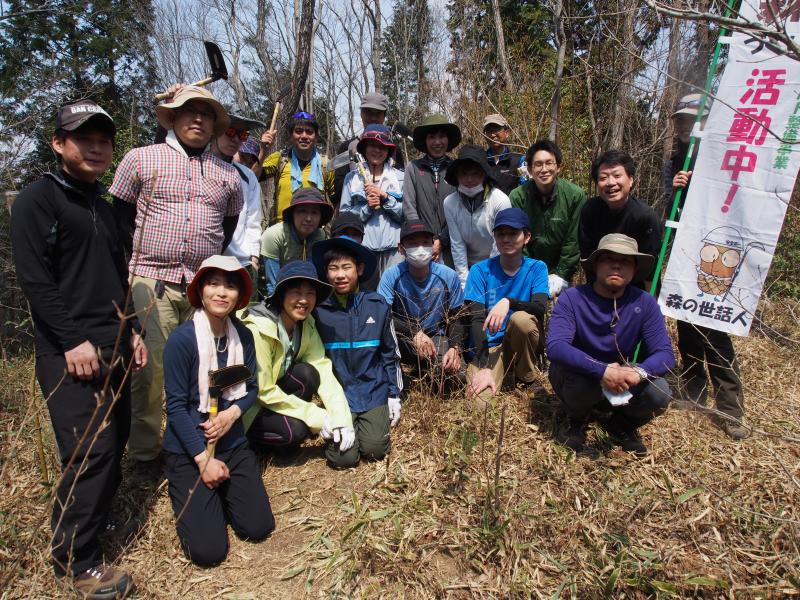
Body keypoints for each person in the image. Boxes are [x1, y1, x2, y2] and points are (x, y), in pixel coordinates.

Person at [11, 100, 147, 599]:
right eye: (83, 138)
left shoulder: (104, 207)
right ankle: (77, 562)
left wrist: (131, 330)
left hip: (113, 341)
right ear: (58, 143)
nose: (95, 147)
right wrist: (70, 340)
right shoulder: (37, 201)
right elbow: (35, 281)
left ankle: (95, 525)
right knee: (88, 452)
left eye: (103, 140)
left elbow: (118, 277)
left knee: (116, 442)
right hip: (69, 352)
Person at [110, 85, 243, 483]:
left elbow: (229, 224)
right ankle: (146, 454)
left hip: (203, 287)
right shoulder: (141, 159)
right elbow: (120, 217)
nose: (198, 119)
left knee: (203, 369)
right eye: (189, 111)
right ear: (172, 117)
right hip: (153, 280)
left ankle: (195, 444)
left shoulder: (228, 174)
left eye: (206, 114)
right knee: (148, 373)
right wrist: (129, 270)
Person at [162, 255, 274, 567]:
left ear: (240, 296)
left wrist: (231, 415)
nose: (221, 292)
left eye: (230, 286)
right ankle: (197, 489)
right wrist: (203, 460)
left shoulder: (244, 336)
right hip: (190, 448)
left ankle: (223, 491)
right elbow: (176, 406)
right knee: (208, 552)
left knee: (258, 527)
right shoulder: (182, 341)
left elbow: (250, 390)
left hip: (232, 442)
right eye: (213, 284)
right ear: (200, 290)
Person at [665, 94, 749, 440]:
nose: (687, 126)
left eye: (693, 120)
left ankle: (731, 408)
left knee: (714, 327)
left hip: (717, 252)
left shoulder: (722, 160)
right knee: (685, 322)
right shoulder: (676, 160)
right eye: (682, 121)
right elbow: (675, 212)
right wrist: (676, 191)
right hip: (687, 252)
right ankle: (694, 390)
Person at [547, 234, 675, 456]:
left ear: (635, 269)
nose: (616, 265)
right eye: (608, 259)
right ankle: (576, 419)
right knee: (582, 385)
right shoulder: (572, 298)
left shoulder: (644, 302)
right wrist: (602, 369)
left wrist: (639, 371)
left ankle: (621, 424)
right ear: (596, 265)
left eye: (625, 261)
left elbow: (665, 354)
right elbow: (556, 346)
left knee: (660, 392)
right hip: (577, 374)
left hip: (621, 377)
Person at [240, 261, 356, 464]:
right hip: (248, 404)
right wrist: (314, 415)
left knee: (309, 373)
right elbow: (262, 390)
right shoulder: (259, 328)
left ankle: (278, 426)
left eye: (310, 293)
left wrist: (342, 420)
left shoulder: (305, 324)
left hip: (273, 394)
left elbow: (322, 368)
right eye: (296, 292)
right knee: (297, 430)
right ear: (281, 294)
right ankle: (250, 440)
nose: (304, 300)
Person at [311, 236, 403, 467]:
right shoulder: (319, 311)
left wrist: (394, 394)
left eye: (346, 267)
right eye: (333, 268)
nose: (340, 275)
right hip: (339, 395)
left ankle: (371, 424)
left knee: (375, 449)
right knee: (343, 458)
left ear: (359, 269)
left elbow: (390, 354)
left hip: (374, 389)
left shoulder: (377, 304)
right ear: (326, 272)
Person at [463, 208, 549, 403]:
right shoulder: (479, 271)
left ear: (527, 237)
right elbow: (476, 319)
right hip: (489, 346)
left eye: (513, 233)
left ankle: (526, 376)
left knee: (522, 320)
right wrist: (484, 367)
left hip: (519, 342)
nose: (506, 239)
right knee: (479, 403)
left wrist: (509, 302)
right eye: (501, 234)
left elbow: (539, 309)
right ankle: (496, 371)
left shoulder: (537, 268)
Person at [378, 219, 465, 389]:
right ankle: (405, 376)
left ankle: (424, 370)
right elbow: (382, 313)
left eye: (425, 242)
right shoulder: (391, 276)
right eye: (412, 243)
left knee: (456, 378)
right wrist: (414, 332)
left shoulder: (448, 275)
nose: (420, 248)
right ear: (401, 248)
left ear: (433, 246)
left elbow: (457, 316)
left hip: (436, 339)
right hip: (402, 337)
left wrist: (455, 348)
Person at [510, 140, 586, 298]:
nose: (544, 169)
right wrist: (531, 272)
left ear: (558, 167)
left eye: (549, 163)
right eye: (538, 164)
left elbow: (573, 241)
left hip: (562, 273)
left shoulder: (575, 195)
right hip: (527, 270)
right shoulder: (518, 196)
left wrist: (561, 275)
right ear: (530, 169)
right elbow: (518, 239)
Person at [578, 149, 663, 288]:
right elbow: (588, 257)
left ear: (630, 180)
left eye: (617, 176)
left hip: (636, 289)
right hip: (600, 286)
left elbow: (651, 270)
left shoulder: (645, 217)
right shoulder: (590, 211)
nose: (611, 183)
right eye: (603, 178)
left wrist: (650, 303)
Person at [340, 124, 404, 289]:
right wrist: (367, 207)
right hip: (363, 248)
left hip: (395, 249)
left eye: (382, 146)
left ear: (389, 150)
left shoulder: (400, 178)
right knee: (366, 294)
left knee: (395, 292)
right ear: (364, 148)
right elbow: (344, 218)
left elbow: (406, 215)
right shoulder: (351, 178)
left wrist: (386, 199)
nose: (377, 150)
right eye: (372, 146)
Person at [443, 144, 511, 287]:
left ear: (485, 174)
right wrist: (464, 283)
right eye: (464, 174)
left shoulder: (500, 200)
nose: (469, 179)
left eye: (475, 174)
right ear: (456, 176)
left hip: (498, 263)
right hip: (469, 265)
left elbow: (500, 244)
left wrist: (488, 278)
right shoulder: (450, 203)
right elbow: (457, 244)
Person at [214, 114, 267, 298]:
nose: (236, 139)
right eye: (230, 132)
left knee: (244, 321)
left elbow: (253, 219)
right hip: (206, 260)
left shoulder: (248, 176)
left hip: (240, 261)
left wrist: (253, 257)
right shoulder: (198, 166)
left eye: (242, 135)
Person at [402, 114, 461, 266]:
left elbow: (460, 208)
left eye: (442, 136)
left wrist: (442, 239)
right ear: (425, 140)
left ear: (448, 140)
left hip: (452, 243)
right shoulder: (413, 168)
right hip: (421, 245)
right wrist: (423, 238)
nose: (437, 142)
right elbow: (409, 206)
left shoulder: (457, 168)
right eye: (431, 137)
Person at [259, 111, 335, 223]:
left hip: (315, 230)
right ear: (290, 135)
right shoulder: (280, 159)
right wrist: (263, 150)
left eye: (309, 132)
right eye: (298, 131)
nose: (304, 136)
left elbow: (336, 200)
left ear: (316, 137)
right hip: (282, 229)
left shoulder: (325, 164)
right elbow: (252, 176)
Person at [333, 91, 406, 204]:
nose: (373, 117)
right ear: (361, 113)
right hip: (355, 213)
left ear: (384, 116)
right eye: (368, 112)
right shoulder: (348, 147)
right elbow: (337, 190)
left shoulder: (395, 149)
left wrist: (383, 196)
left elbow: (401, 186)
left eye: (378, 113)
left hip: (389, 214)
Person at [260, 188, 333, 295]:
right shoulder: (274, 235)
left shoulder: (319, 235)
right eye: (302, 211)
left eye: (315, 212)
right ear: (292, 214)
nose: (308, 218)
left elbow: (310, 272)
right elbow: (272, 285)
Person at [482, 113, 525, 195]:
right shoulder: (481, 160)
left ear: (507, 133)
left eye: (496, 129)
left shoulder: (520, 160)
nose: (493, 135)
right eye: (489, 131)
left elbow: (525, 188)